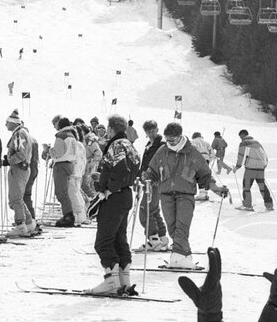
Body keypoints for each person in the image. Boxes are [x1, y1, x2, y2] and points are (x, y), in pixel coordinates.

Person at [143, 123, 227, 269]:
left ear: (180, 136)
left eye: (173, 140)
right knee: (172, 227)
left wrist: (217, 189)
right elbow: (152, 170)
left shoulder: (192, 152)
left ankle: (178, 257)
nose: (170, 142)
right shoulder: (162, 151)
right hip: (166, 194)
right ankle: (185, 255)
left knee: (182, 225)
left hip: (185, 194)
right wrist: (146, 177)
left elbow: (205, 175)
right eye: (167, 139)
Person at [88, 115, 140, 294]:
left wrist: (107, 187)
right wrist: (105, 179)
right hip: (126, 194)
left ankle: (111, 281)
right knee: (119, 238)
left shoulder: (116, 145)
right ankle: (124, 280)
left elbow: (120, 167)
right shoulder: (130, 145)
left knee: (103, 240)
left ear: (111, 129)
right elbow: (129, 169)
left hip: (115, 196)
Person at [136, 120, 169, 252]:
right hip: (147, 181)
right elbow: (145, 164)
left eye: (153, 130)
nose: (151, 133)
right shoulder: (149, 145)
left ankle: (153, 239)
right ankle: (162, 239)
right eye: (148, 131)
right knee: (153, 209)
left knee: (146, 209)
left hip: (155, 181)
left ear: (157, 129)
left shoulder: (161, 144)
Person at [3, 110, 36, 237]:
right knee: (18, 198)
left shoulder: (18, 134)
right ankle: (28, 222)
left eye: (7, 122)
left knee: (15, 199)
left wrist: (10, 160)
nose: (5, 125)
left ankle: (20, 224)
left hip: (18, 168)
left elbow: (21, 153)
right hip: (23, 168)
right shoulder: (23, 132)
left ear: (13, 123)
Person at [52, 117, 87, 227]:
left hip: (61, 164)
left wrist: (49, 151)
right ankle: (73, 213)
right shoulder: (72, 135)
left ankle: (68, 215)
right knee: (71, 190)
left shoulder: (61, 135)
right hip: (70, 163)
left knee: (61, 192)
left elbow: (58, 152)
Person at [235, 130, 273, 211]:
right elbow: (265, 156)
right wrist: (263, 166)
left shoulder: (244, 143)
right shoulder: (257, 143)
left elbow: (241, 155)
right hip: (261, 169)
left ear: (243, 135)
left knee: (246, 187)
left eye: (240, 136)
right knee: (262, 187)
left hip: (250, 169)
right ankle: (269, 205)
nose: (240, 138)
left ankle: (247, 205)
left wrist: (237, 167)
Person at [191, 132, 213, 200]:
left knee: (198, 175)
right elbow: (212, 153)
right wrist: (209, 159)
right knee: (205, 175)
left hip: (198, 159)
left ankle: (202, 193)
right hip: (206, 159)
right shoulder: (206, 143)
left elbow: (192, 151)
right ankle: (205, 192)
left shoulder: (193, 142)